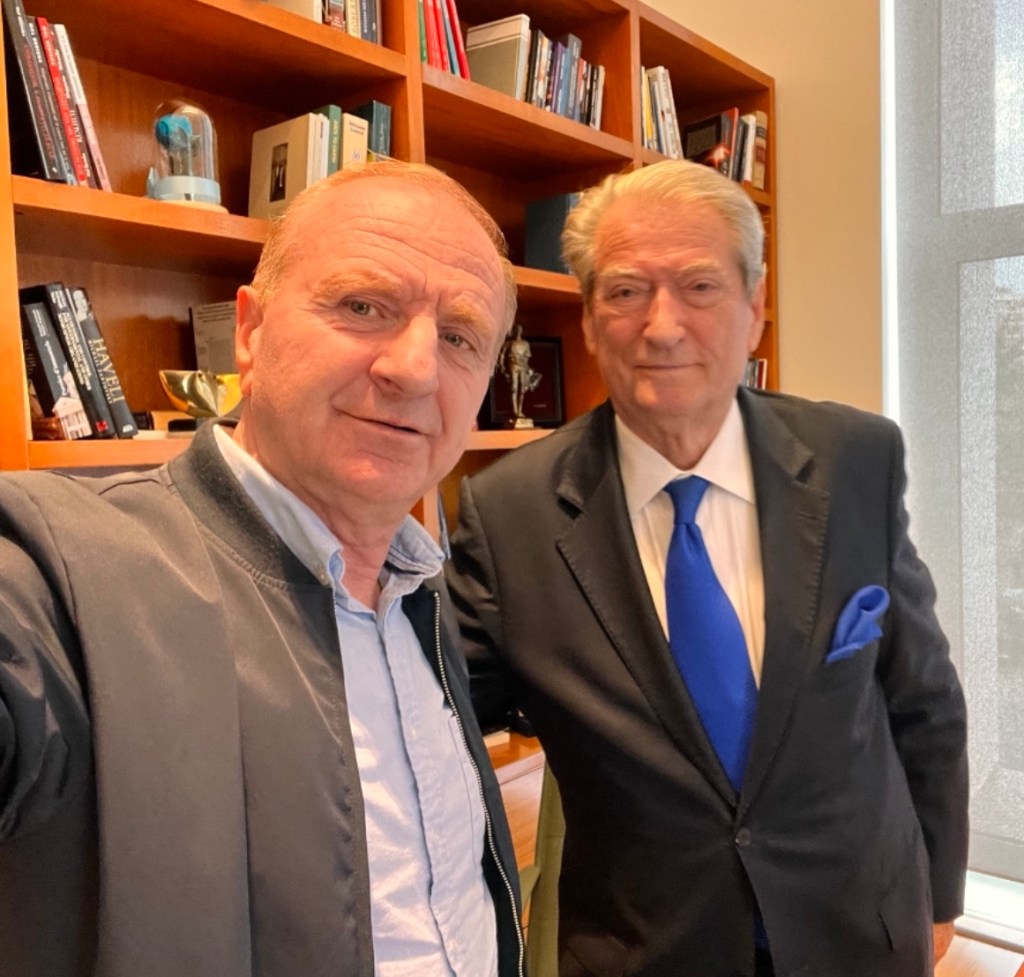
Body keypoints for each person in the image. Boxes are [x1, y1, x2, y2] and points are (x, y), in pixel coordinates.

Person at [0, 160, 525, 977]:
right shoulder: (60, 577)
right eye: (363, 306)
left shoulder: (419, 590)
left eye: (459, 337)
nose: (416, 368)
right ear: (249, 332)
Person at [446, 159, 968, 977]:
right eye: (625, 291)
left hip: (862, 928)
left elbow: (923, 695)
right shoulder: (508, 512)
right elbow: (431, 723)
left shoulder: (856, 459)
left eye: (699, 286)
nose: (662, 326)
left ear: (754, 309)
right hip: (647, 949)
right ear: (588, 320)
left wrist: (939, 894)